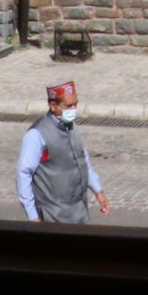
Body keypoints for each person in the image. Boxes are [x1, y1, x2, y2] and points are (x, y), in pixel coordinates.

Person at [16, 81, 109, 225]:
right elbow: (24, 173)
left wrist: (98, 191)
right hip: (51, 216)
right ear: (53, 105)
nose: (73, 109)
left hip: (78, 213)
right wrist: (32, 215)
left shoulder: (72, 127)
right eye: (68, 106)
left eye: (75, 104)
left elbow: (83, 161)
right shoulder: (37, 134)